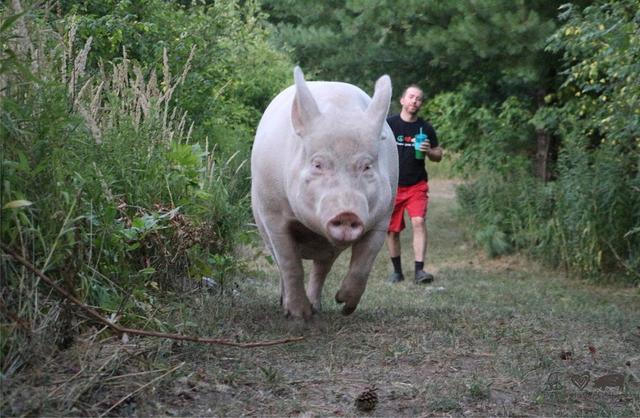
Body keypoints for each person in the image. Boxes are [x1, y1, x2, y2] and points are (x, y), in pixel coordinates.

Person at [386, 84, 442, 284]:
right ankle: (397, 271)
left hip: (416, 184)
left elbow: (438, 155)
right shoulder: (389, 124)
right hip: (392, 186)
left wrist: (428, 150)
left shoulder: (425, 128)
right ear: (402, 100)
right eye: (411, 97)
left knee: (418, 222)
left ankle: (420, 270)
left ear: (420, 104)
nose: (414, 101)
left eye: (418, 98)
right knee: (392, 230)